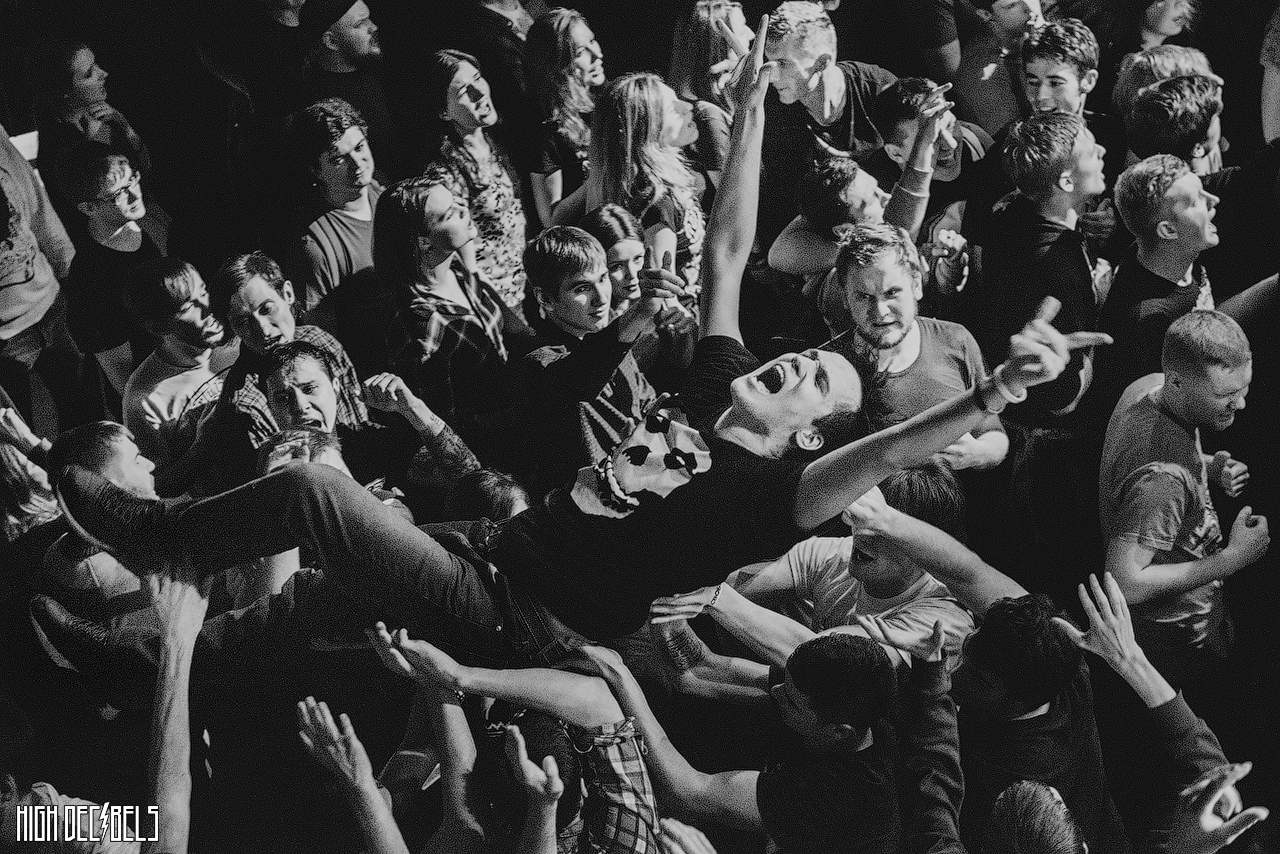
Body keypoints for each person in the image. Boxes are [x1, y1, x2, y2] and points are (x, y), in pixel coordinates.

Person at [49, 10, 1100, 699]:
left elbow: (885, 452)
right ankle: (131, 663)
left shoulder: (766, 495)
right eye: (808, 355)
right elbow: (727, 248)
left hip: (524, 616)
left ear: (807, 436)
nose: (797, 363)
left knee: (313, 496)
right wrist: (744, 109)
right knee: (315, 605)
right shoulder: (717, 385)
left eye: (815, 379)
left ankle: (158, 532)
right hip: (496, 548)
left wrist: (992, 395)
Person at [839, 484, 1129, 853]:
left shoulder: (1011, 782)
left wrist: (928, 680)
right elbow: (969, 575)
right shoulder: (1059, 655)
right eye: (966, 653)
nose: (955, 673)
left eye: (976, 677)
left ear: (1016, 697)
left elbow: (933, 794)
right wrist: (885, 520)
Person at [649, 459, 975, 675]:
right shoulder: (834, 553)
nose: (862, 535)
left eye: (884, 530)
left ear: (924, 547)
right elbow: (728, 585)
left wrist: (714, 595)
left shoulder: (944, 618)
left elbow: (828, 665)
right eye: (864, 517)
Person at [1099, 310, 1268, 690]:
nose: (1240, 404)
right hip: (1173, 640)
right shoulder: (1163, 480)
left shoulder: (1148, 386)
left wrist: (1207, 468)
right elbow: (1126, 582)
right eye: (1225, 395)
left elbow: (1147, 459)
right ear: (1176, 382)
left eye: (1243, 389)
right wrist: (1234, 558)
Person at [376, 169, 533, 465]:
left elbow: (515, 337)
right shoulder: (421, 331)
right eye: (449, 214)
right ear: (423, 242)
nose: (464, 210)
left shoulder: (459, 271)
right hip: (489, 458)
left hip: (519, 432)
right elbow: (442, 429)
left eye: (457, 202)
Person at [519, 226, 687, 498]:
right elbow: (580, 377)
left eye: (603, 279)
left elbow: (647, 404)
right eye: (582, 288)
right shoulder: (536, 363)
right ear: (545, 299)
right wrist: (641, 312)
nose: (601, 298)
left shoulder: (610, 340)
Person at [831, 224, 1006, 469]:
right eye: (864, 297)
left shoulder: (955, 340)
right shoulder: (828, 369)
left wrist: (979, 454)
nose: (880, 311)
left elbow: (992, 431)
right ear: (845, 298)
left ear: (916, 285)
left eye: (892, 293)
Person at [201, 250, 373, 490]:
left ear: (288, 294)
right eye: (243, 322)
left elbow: (360, 427)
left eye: (266, 309)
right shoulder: (244, 405)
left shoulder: (320, 341)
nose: (263, 329)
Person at [259, 340, 481, 509]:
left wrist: (413, 408)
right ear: (270, 408)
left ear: (336, 389)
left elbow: (472, 482)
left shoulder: (371, 442)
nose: (300, 406)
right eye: (283, 398)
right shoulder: (270, 469)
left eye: (309, 389)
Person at [1087, 155, 1217, 432]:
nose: (1213, 200)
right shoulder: (1148, 324)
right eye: (1197, 201)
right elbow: (1152, 422)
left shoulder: (1164, 253)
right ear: (1168, 230)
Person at [756, 1, 898, 254]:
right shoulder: (773, 112)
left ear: (822, 63)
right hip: (829, 245)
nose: (772, 75)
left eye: (783, 63)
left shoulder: (879, 90)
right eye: (769, 62)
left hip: (896, 229)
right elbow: (782, 204)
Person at [282, 98, 401, 376]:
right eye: (338, 159)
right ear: (315, 169)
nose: (357, 164)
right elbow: (320, 343)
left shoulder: (380, 186)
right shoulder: (314, 247)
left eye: (359, 147)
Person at [571, 72, 706, 293]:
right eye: (672, 109)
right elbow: (661, 295)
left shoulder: (634, 182)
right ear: (647, 131)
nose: (688, 107)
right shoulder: (657, 204)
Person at [58, 144, 165, 402]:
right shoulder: (90, 280)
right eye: (118, 193)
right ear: (88, 208)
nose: (135, 194)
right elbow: (124, 377)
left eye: (132, 179)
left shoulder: (144, 227)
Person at [427, 50, 530, 312]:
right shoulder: (445, 174)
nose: (479, 92)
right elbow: (463, 262)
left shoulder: (499, 143)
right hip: (497, 306)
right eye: (464, 91)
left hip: (525, 290)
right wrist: (505, 317)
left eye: (477, 78)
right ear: (444, 112)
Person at [1, 121, 82, 435]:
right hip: (6, 336)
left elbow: (36, 202)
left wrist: (66, 265)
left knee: (81, 409)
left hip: (50, 301)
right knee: (22, 436)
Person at [121, 257, 229, 480]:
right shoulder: (144, 398)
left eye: (204, 291)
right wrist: (203, 449)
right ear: (158, 327)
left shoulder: (241, 336)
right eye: (188, 307)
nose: (207, 307)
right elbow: (157, 484)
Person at [300, 0, 405, 182]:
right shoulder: (318, 106)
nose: (373, 27)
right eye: (359, 24)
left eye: (369, 19)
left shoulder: (380, 71)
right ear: (331, 41)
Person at [523, 8, 605, 226]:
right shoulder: (547, 129)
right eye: (580, 52)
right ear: (556, 66)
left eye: (592, 41)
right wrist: (599, 177)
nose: (597, 54)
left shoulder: (605, 101)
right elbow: (551, 220)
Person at [667, 0, 757, 198]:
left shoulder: (694, 105)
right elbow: (735, 200)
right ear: (717, 42)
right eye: (742, 29)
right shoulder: (709, 117)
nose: (751, 34)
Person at [954, 0, 1044, 136]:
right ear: (985, 14)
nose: (1029, 7)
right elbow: (1014, 138)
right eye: (1012, 5)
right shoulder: (980, 78)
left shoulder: (1046, 32)